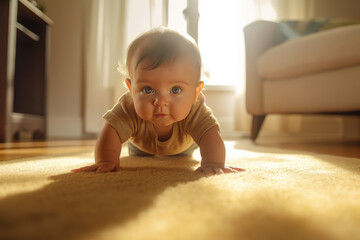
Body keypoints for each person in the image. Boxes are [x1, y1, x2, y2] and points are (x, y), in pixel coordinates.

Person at [72, 27, 244, 175]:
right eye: (148, 89)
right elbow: (112, 132)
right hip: (140, 145)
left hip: (184, 147)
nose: (160, 101)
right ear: (131, 89)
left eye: (175, 90)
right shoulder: (128, 107)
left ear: (195, 92)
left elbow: (210, 135)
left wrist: (213, 163)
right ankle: (138, 151)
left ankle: (182, 152)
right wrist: (105, 160)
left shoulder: (196, 109)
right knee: (137, 152)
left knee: (186, 152)